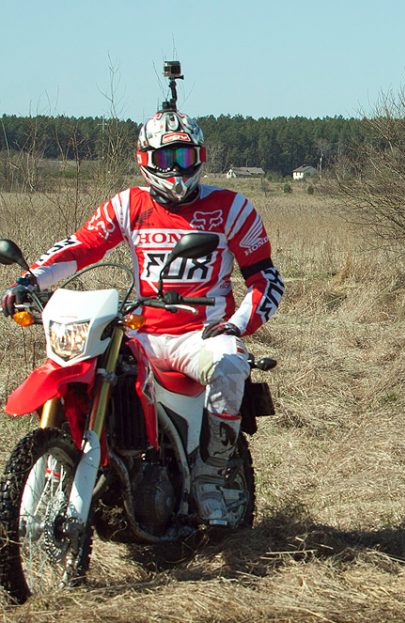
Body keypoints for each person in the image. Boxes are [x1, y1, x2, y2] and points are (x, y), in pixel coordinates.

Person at [1, 106, 284, 527]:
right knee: (93, 369)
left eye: (184, 157)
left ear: (200, 157)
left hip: (201, 333)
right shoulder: (128, 204)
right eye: (165, 160)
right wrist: (30, 280)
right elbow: (82, 247)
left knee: (229, 364)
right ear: (144, 160)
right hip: (141, 329)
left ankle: (214, 471)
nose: (175, 169)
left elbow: (265, 277)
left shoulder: (232, 208)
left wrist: (237, 324)